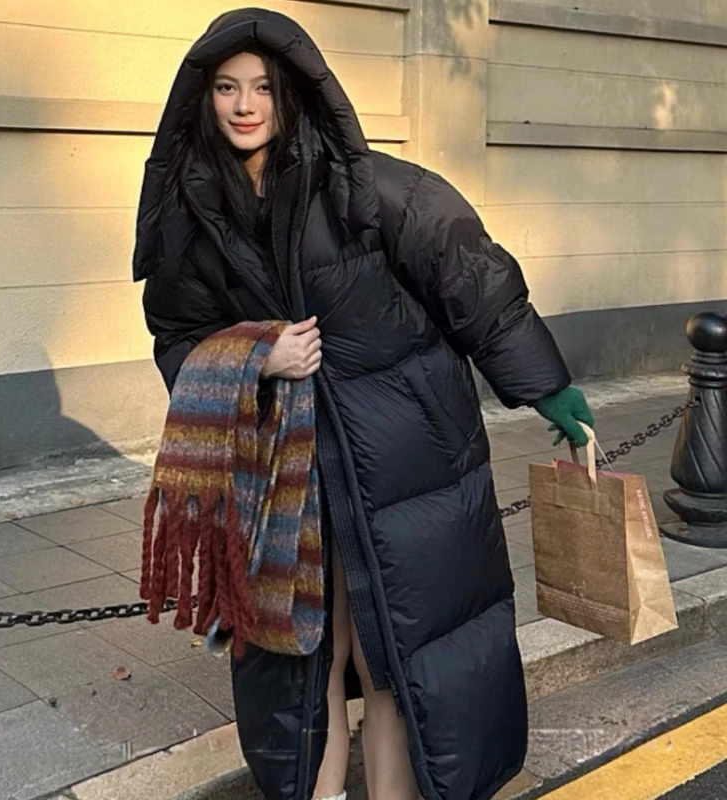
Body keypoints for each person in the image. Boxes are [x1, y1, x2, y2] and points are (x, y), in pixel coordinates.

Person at [133, 9, 594, 800]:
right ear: (202, 99)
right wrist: (256, 355)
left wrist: (547, 387)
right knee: (311, 657)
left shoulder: (371, 187)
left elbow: (472, 278)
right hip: (286, 482)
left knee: (392, 657)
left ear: (294, 94)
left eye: (263, 88)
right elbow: (177, 335)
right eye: (226, 88)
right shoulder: (192, 215)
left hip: (402, 466)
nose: (246, 105)